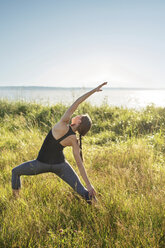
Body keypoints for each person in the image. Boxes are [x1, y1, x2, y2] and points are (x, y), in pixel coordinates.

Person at [12, 82, 107, 203]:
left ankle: (16, 201)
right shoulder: (74, 140)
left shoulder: (63, 123)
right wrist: (89, 185)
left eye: (80, 116)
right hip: (61, 166)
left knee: (15, 172)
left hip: (41, 163)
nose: (77, 114)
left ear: (79, 121)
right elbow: (79, 165)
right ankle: (97, 206)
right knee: (83, 192)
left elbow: (77, 102)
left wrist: (93, 90)